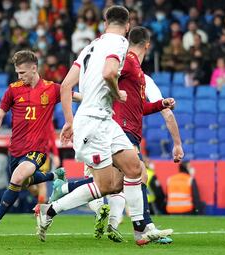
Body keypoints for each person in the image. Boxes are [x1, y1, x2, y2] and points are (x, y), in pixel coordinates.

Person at [35, 6, 165, 246]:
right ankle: (49, 210)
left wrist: (69, 120)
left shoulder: (90, 47)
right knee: (106, 185)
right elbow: (109, 73)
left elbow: (65, 86)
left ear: (105, 23)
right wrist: (118, 93)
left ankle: (140, 230)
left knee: (134, 169)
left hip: (103, 120)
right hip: (94, 122)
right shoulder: (121, 44)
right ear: (128, 26)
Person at [0, 50, 81, 233]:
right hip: (16, 149)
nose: (20, 76)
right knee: (22, 183)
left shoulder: (51, 88)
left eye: (22, 73)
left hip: (38, 150)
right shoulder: (13, 89)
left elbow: (74, 95)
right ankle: (54, 175)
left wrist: (98, 100)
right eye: (17, 73)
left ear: (34, 69)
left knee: (17, 177)